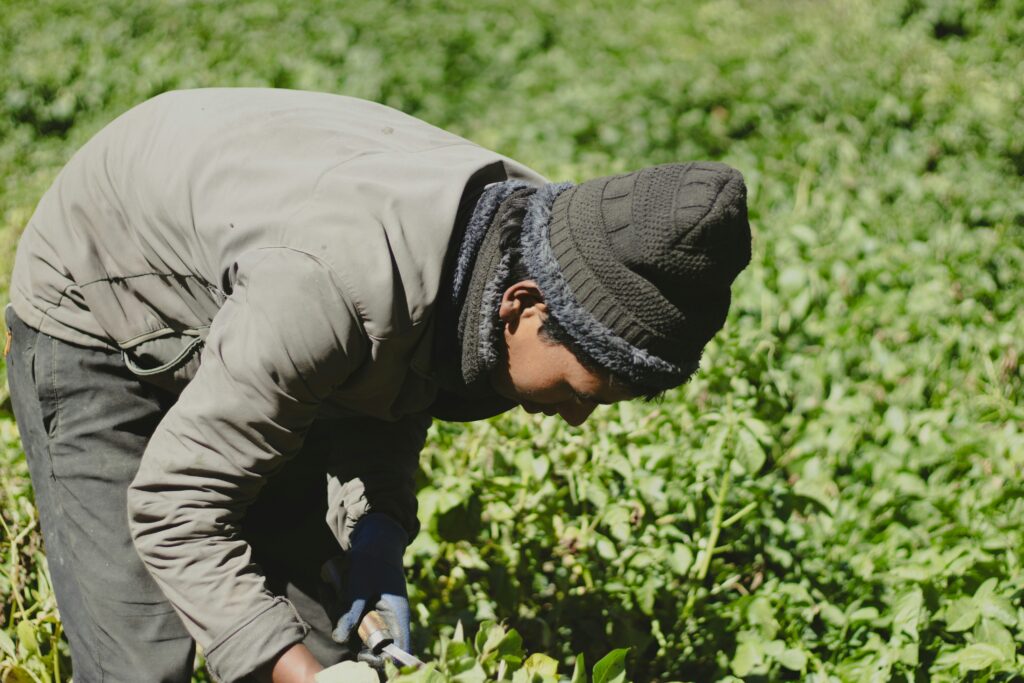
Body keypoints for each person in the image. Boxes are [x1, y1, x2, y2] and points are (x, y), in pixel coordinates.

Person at [3, 88, 751, 682]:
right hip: (104, 285)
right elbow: (175, 509)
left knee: (323, 631)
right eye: (581, 389)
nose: (578, 417)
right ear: (524, 306)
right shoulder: (327, 289)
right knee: (139, 652)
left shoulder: (533, 240)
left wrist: (377, 531)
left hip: (263, 287)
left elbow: (405, 367)